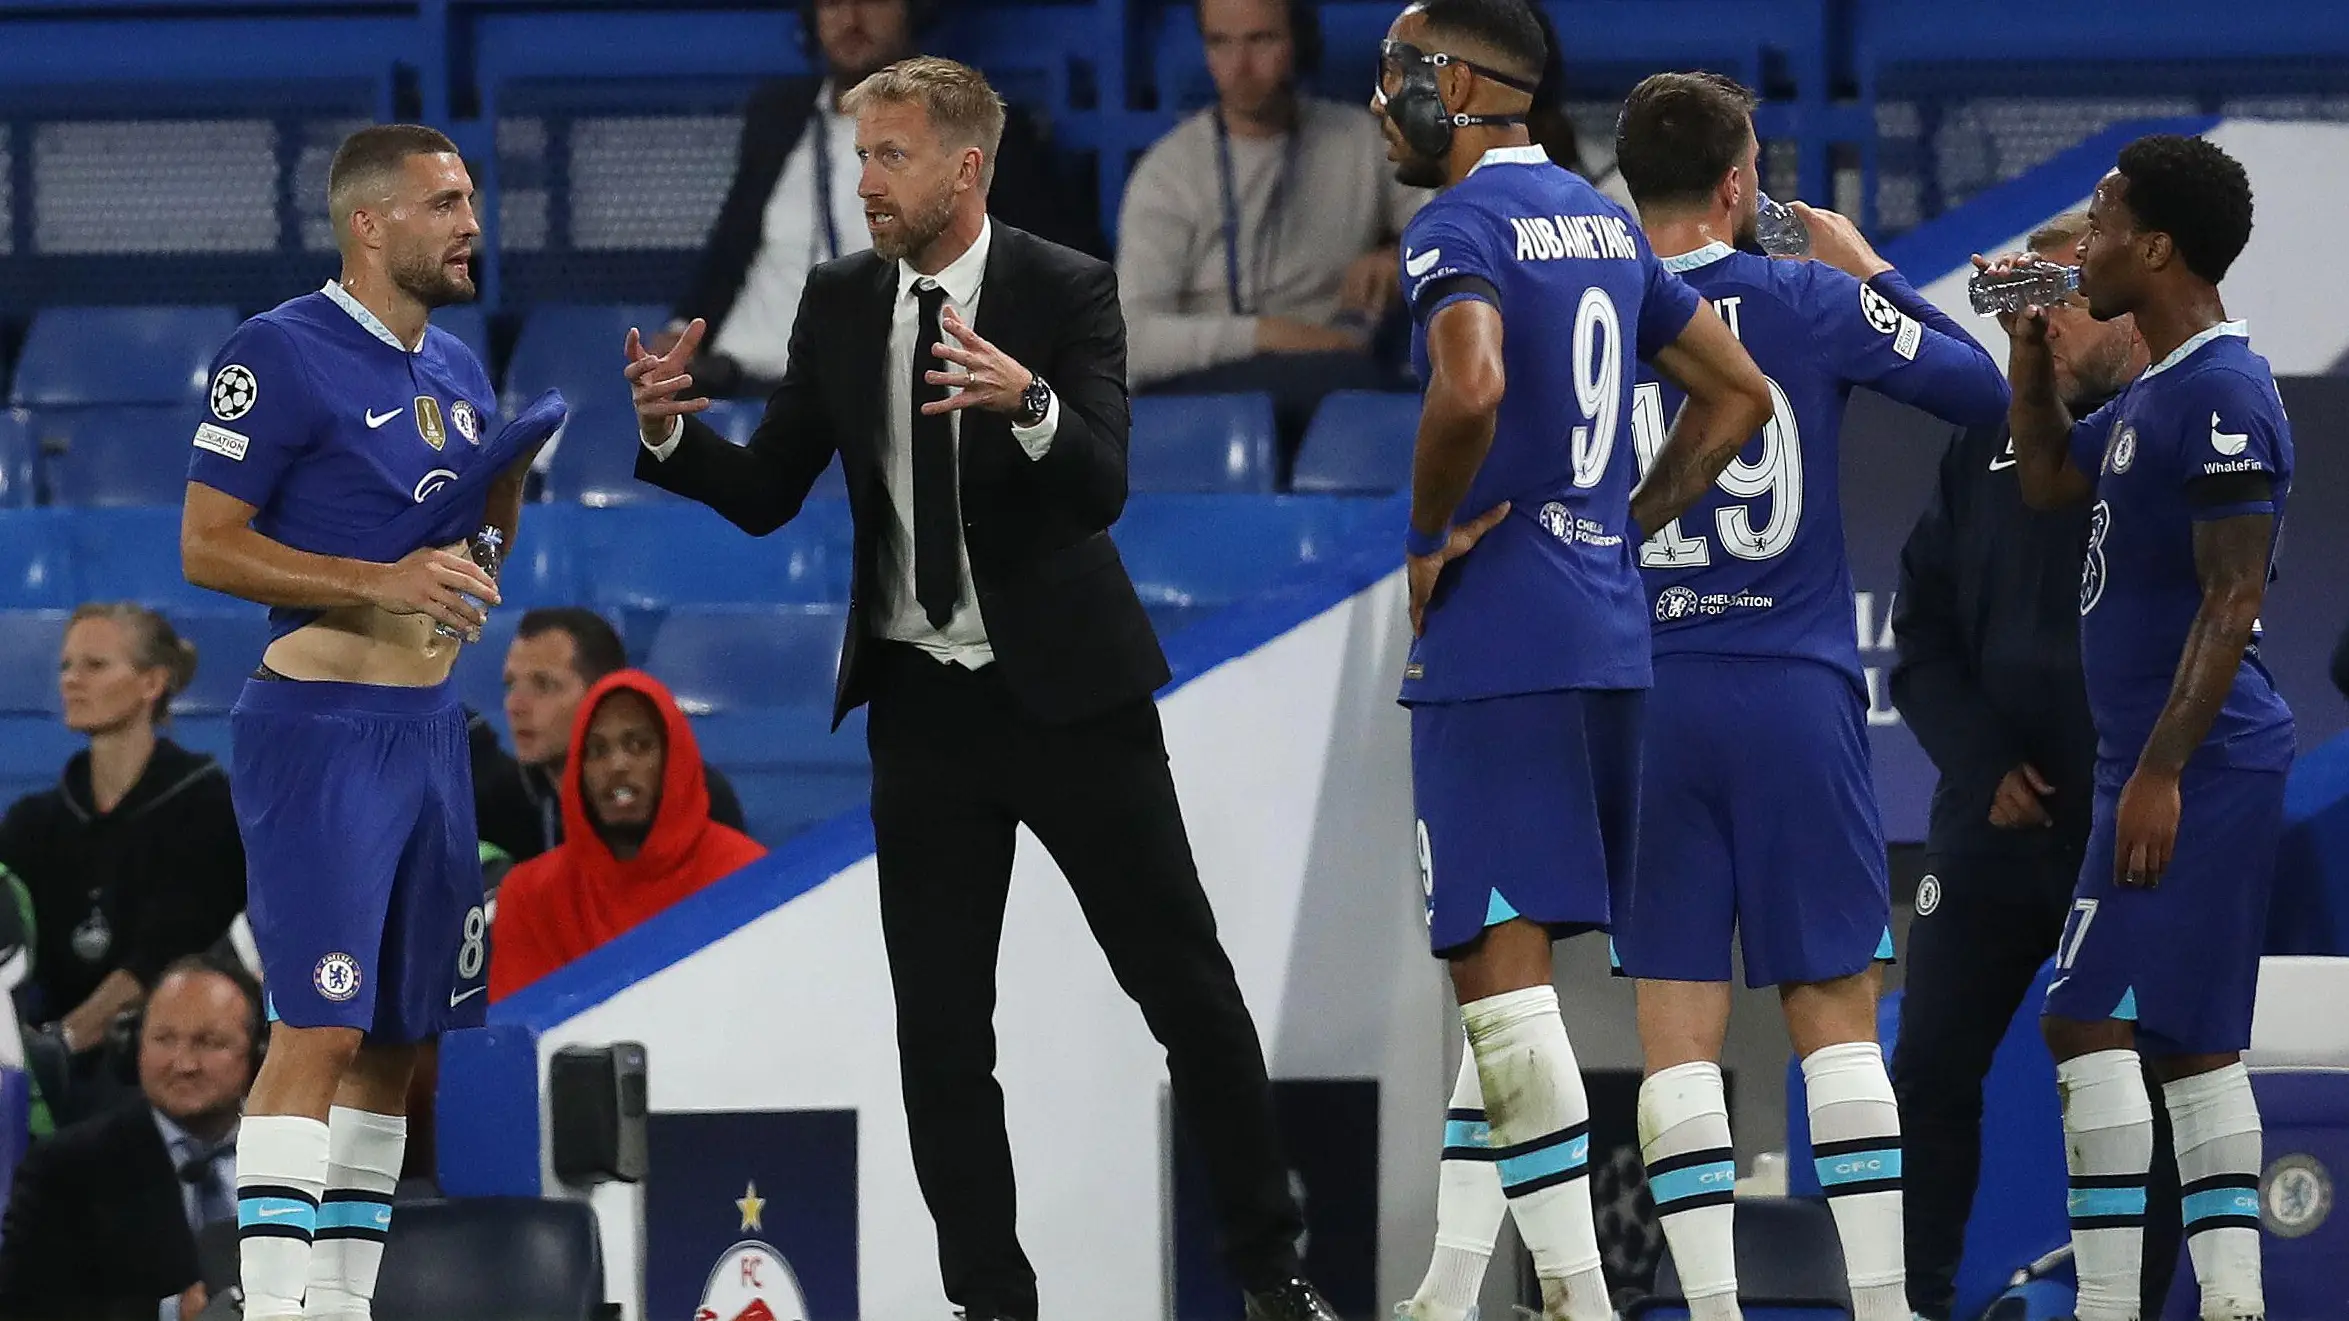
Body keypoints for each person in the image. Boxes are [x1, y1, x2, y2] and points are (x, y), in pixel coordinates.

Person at [625, 56, 1337, 1321]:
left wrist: (1033, 402)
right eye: (858, 157)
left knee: (1187, 988)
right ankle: (993, 1301)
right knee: (944, 1034)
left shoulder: (1063, 290)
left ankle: (1271, 1272)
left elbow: (1102, 484)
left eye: (889, 156)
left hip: (1073, 699)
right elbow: (770, 489)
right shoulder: (841, 302)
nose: (864, 184)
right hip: (925, 712)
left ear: (966, 168)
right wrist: (676, 437)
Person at [1372, 7, 1775, 1318]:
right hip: (1607, 634)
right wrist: (1623, 521)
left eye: (1398, 74)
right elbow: (1736, 394)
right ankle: (1444, 1288)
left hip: (1500, 632)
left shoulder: (1456, 229)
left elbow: (1471, 385)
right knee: (1518, 977)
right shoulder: (1603, 223)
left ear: (1461, 88)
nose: (1381, 99)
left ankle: (1574, 1295)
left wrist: (1428, 538)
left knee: (1494, 978)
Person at [1588, 71, 2007, 1321]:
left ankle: (1709, 1309)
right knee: (1837, 1015)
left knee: (1675, 1030)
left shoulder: (1591, 312)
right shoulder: (1804, 297)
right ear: (1739, 184)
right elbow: (1982, 394)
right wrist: (1866, 265)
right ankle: (1881, 1305)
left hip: (1647, 695)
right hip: (1794, 692)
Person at [179, 123, 565, 1321]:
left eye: (471, 200)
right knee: (321, 1025)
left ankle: (339, 1306)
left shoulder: (457, 369)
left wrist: (494, 517)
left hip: (429, 733)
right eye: (445, 203)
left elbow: (472, 545)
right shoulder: (280, 351)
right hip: (321, 729)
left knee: (399, 1041)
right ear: (371, 223)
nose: (469, 223)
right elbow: (205, 545)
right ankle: (275, 1304)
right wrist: (380, 580)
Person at [1995, 134, 2286, 1321]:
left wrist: (2162, 770)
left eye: (2104, 222)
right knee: (2193, 1046)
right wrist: (2027, 354)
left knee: (2082, 1015)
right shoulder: (2157, 387)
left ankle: (2109, 1307)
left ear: (2157, 247)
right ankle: (2231, 1300)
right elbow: (2049, 482)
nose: (2085, 247)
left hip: (2197, 761)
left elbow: (2238, 594)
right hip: (2168, 760)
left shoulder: (2224, 388)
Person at [1889, 211, 2184, 1321]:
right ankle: (1908, 1300)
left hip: (2123, 821)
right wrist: (1981, 758)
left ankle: (2131, 1306)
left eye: (2058, 300)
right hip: (1991, 820)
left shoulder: (2172, 428)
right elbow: (1917, 640)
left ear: (2119, 307)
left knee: (2134, 1083)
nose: (2041, 326)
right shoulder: (1981, 450)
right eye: (2027, 306)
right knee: (1925, 1068)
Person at [658, 0, 1102, 398]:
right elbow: (730, 248)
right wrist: (681, 332)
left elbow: (1065, 271)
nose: (850, 19)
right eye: (832, 4)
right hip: (744, 387)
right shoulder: (777, 116)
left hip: (893, 397)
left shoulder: (974, 127)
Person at [1118, 0, 1426, 452]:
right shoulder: (1170, 172)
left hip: (1339, 376)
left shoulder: (1361, 139)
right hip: (1204, 393)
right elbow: (1130, 343)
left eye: (1262, 40)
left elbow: (1452, 232)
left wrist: (1399, 254)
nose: (1239, 66)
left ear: (1301, 42)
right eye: (1220, 43)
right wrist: (1272, 335)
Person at [0, 605, 244, 1103]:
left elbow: (164, 954)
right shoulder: (34, 821)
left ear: (152, 682)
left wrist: (57, 1045)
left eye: (95, 665)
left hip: (166, 1066)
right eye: (67, 666)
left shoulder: (207, 804)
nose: (72, 680)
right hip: (48, 1059)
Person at [0, 956, 263, 1321]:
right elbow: (26, 1308)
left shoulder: (303, 1158)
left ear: (259, 1054)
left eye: (209, 1042)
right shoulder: (63, 1169)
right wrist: (169, 1313)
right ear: (132, 1046)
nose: (184, 1064)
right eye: (164, 1039)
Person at [489, 670, 765, 999]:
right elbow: (518, 1037)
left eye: (639, 745)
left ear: (673, 759)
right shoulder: (529, 896)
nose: (618, 764)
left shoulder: (746, 876)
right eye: (598, 750)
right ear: (578, 769)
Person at [472, 607, 746, 861]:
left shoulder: (696, 797)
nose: (515, 705)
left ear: (601, 694)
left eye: (543, 685)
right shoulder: (500, 799)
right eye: (510, 686)